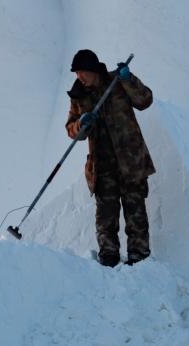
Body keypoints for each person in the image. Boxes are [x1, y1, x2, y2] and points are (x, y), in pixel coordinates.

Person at [65, 49, 155, 267]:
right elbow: (71, 129)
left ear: (93, 70)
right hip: (101, 166)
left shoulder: (117, 82)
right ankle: (108, 259)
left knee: (136, 214)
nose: (79, 77)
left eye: (82, 72)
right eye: (76, 73)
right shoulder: (78, 96)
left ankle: (139, 258)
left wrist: (129, 79)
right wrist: (81, 124)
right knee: (106, 218)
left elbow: (144, 100)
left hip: (130, 161)